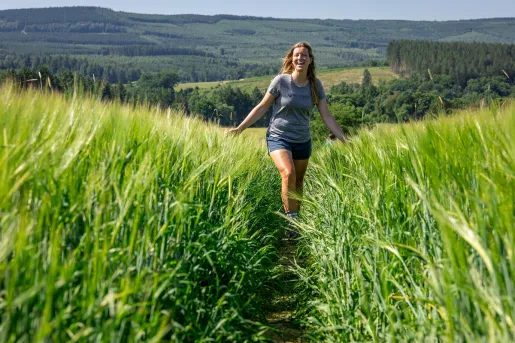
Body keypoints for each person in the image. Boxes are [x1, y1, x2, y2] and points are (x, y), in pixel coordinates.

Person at [226, 42, 348, 226]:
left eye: (304, 55)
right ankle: (291, 221)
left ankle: (297, 223)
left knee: (298, 182)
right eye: (297, 55)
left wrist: (344, 139)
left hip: (302, 140)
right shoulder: (281, 81)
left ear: (310, 59)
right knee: (288, 173)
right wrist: (240, 128)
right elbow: (262, 107)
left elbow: (326, 116)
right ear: (291, 58)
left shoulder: (315, 86)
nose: (300, 58)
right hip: (278, 137)